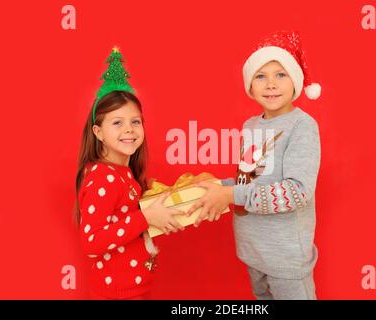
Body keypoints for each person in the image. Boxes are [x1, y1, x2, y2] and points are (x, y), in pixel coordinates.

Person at [187, 31, 322, 300]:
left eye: (280, 74)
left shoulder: (302, 126)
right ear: (250, 85)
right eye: (261, 76)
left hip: (285, 259)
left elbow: (296, 192)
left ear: (295, 80)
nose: (271, 84)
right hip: (253, 252)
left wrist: (230, 194)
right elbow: (248, 183)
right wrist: (215, 186)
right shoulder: (251, 126)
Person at [75, 47, 184, 300]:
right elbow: (92, 242)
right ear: (98, 132)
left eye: (135, 121)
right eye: (117, 122)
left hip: (134, 289)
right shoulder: (103, 176)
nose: (129, 129)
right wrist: (145, 217)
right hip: (116, 294)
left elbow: (124, 217)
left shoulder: (123, 172)